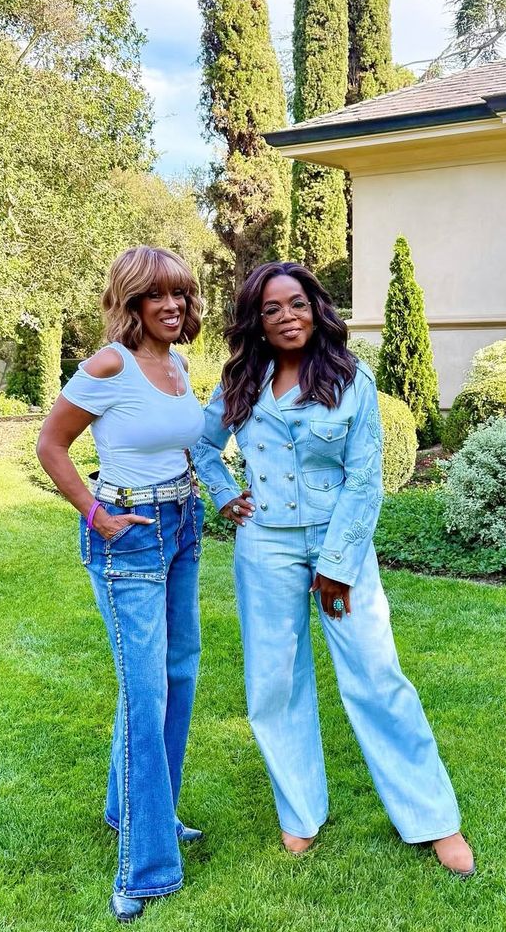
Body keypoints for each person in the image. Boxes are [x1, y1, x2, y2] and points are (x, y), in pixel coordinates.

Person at [192, 262, 475, 876]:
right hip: (264, 545)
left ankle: (432, 817)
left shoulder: (350, 379)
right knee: (274, 680)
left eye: (296, 303)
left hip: (337, 542)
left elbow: (364, 479)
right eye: (272, 309)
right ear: (257, 321)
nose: (287, 316)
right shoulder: (242, 379)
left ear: (316, 309)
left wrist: (339, 564)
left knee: (376, 675)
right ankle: (299, 812)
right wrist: (221, 493)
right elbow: (201, 443)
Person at [36, 246, 207, 922]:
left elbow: (184, 444)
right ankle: (146, 868)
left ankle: (139, 812)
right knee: (145, 693)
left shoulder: (179, 364)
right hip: (129, 533)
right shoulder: (109, 364)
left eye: (180, 295)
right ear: (130, 303)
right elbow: (51, 443)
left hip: (183, 525)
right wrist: (94, 512)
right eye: (155, 296)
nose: (171, 306)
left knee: (178, 674)